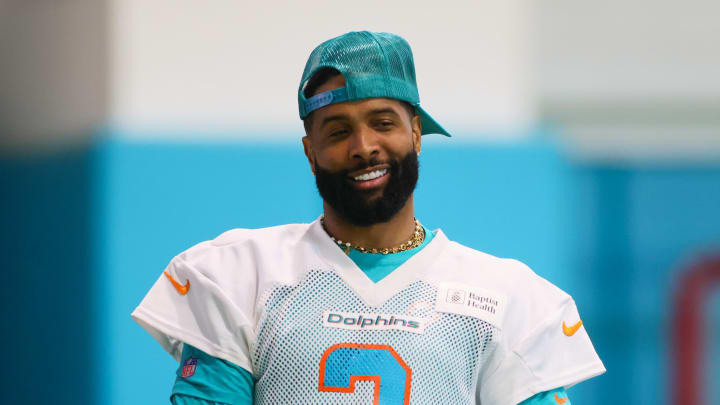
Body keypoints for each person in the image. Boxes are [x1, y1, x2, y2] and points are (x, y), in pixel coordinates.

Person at [132, 31, 605, 405]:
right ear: (310, 152)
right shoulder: (241, 274)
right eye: (338, 131)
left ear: (416, 133)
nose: (363, 147)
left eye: (383, 123)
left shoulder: (508, 297)